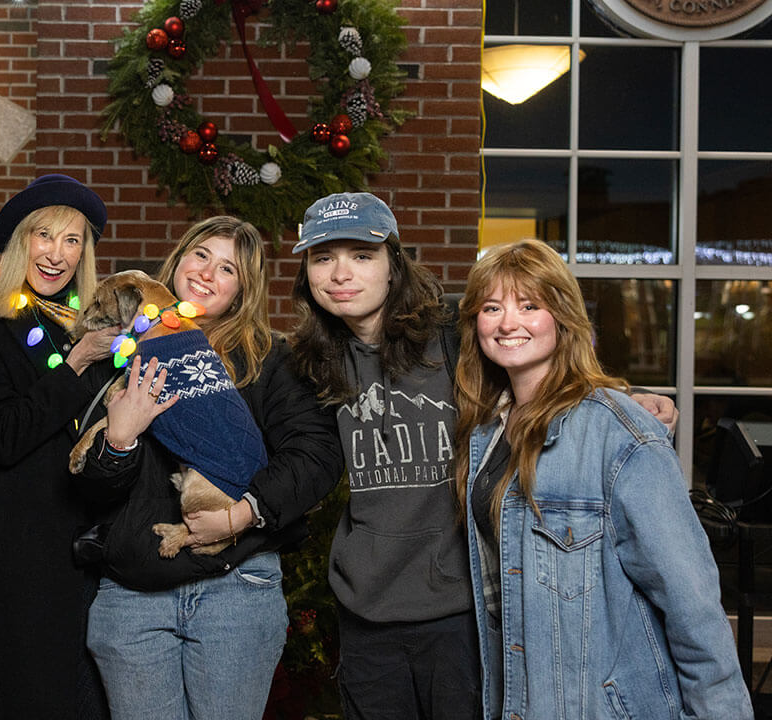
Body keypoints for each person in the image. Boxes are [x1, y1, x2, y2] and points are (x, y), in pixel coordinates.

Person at [288, 192, 679, 720]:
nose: (341, 273)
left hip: (461, 615)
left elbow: (540, 377)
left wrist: (623, 401)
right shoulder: (313, 364)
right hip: (366, 618)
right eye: (323, 257)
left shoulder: (452, 338)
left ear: (393, 265)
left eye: (361, 255)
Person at [452, 238, 752, 719]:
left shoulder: (622, 436)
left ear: (563, 317)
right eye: (492, 308)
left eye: (530, 305)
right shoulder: (486, 429)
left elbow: (691, 604)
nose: (508, 323)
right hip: (518, 696)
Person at [77, 216, 343, 720]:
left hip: (235, 586)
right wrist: (119, 437)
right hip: (134, 594)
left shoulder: (269, 358)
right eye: (201, 255)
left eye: (228, 269)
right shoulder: (123, 350)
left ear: (242, 290)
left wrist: (246, 513)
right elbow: (88, 485)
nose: (207, 273)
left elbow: (317, 456)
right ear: (178, 258)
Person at [0, 174, 119, 720]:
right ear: (21, 240)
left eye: (72, 240)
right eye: (44, 235)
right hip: (8, 550)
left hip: (84, 548)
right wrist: (79, 361)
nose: (57, 254)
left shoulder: (100, 319)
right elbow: (1, 434)